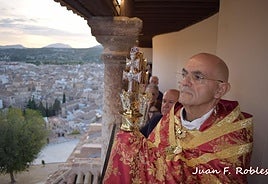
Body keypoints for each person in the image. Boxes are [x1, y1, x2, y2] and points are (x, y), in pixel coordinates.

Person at [103, 53, 253, 183]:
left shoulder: (234, 135)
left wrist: (132, 150)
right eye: (184, 74)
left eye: (198, 77)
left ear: (220, 89)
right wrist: (133, 143)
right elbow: (151, 154)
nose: (184, 82)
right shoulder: (170, 118)